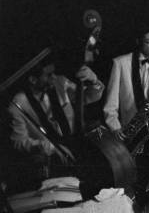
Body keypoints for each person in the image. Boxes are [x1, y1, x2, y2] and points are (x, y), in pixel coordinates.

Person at [7, 51, 104, 184]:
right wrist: (46, 146)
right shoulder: (17, 104)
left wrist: (94, 81)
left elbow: (88, 97)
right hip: (54, 165)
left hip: (80, 148)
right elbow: (19, 141)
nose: (54, 77)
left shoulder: (60, 82)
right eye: (48, 75)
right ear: (33, 79)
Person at [103, 27, 149, 198]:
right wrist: (115, 127)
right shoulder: (120, 63)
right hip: (130, 129)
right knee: (129, 177)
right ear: (139, 41)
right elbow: (110, 104)